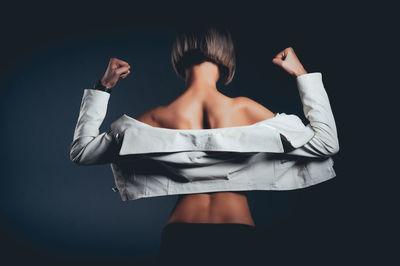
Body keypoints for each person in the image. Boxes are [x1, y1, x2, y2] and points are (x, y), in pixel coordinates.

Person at [96, 25, 310, 265]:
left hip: (182, 234)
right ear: (226, 56)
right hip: (237, 231)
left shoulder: (157, 117)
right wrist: (301, 74)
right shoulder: (245, 109)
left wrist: (104, 86)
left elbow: (82, 151)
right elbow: (324, 143)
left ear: (179, 57)